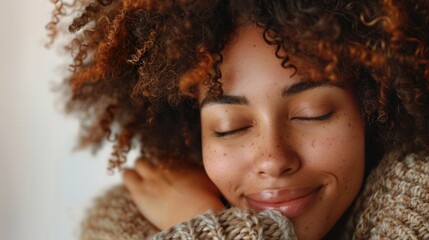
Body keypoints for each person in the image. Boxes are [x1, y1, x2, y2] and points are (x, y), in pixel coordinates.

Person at [48, 0, 429, 239]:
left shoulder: (416, 196)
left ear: (373, 109)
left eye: (312, 114)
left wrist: (203, 223)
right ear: (192, 133)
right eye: (230, 126)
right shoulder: (126, 224)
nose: (274, 159)